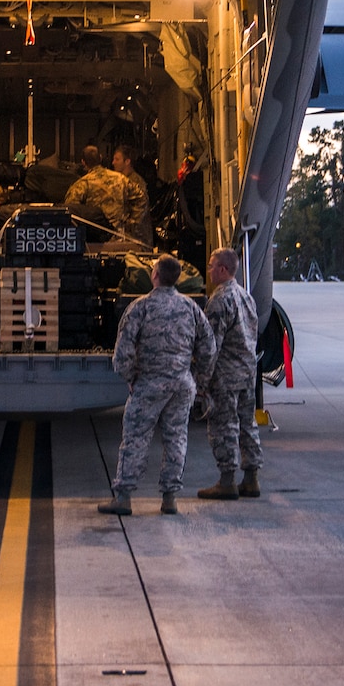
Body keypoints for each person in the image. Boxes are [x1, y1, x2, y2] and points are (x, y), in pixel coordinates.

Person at [99, 254, 214, 516]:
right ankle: (170, 498)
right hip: (181, 384)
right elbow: (209, 346)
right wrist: (195, 376)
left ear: (155, 276)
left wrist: (131, 378)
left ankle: (124, 497)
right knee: (176, 438)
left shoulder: (141, 307)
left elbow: (123, 351)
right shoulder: (190, 307)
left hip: (150, 383)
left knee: (135, 438)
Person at [195, 248, 264, 500]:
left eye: (212, 265)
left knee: (223, 426)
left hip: (225, 376)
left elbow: (211, 345)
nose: (209, 269)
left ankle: (227, 481)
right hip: (247, 372)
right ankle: (251, 478)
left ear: (223, 269)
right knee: (247, 424)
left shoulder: (219, 301)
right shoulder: (246, 296)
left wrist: (202, 381)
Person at [63, 145, 127, 236]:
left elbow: (69, 213)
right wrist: (132, 223)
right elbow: (140, 197)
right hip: (120, 237)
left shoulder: (81, 184)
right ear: (100, 158)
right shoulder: (121, 179)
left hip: (95, 240)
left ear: (83, 162)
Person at [111, 145, 153, 244]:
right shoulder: (119, 181)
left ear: (127, 161)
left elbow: (140, 213)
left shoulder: (136, 183)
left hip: (137, 239)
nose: (113, 163)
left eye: (117, 159)